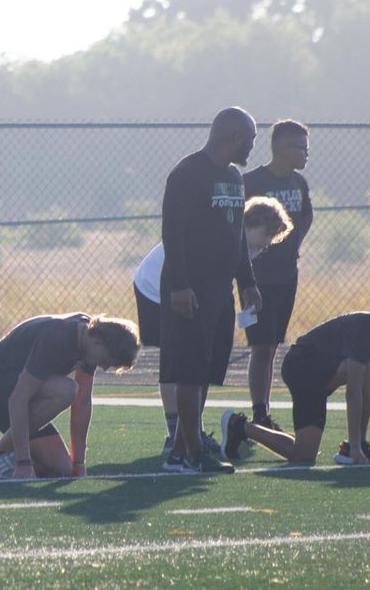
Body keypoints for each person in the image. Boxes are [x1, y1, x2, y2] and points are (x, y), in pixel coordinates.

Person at [133, 197, 293, 458]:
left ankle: (189, 432)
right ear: (249, 224)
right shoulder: (227, 235)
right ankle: (176, 432)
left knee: (196, 359)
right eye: (266, 234)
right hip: (156, 285)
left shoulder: (241, 243)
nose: (267, 244)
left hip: (187, 285)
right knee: (175, 359)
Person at [220, 281, 370, 465]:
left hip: (324, 375)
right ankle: (356, 446)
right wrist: (355, 448)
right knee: (369, 369)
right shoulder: (366, 331)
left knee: (303, 454)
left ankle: (239, 426)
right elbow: (353, 392)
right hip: (301, 366)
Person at [159, 107, 261, 474]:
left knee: (204, 370)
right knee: (189, 370)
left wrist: (246, 281)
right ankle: (190, 452)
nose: (251, 147)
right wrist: (180, 287)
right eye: (249, 139)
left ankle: (185, 449)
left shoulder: (235, 177)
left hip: (221, 290)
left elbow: (237, 237)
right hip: (192, 288)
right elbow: (174, 235)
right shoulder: (188, 174)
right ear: (233, 137)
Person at [0, 313, 139, 479]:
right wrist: (23, 463)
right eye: (105, 361)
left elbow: (82, 402)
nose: (104, 367)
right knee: (66, 390)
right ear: (99, 341)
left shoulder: (90, 340)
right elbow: (18, 399)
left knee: (61, 469)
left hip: (16, 390)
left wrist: (78, 465)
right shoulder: (58, 335)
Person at [243, 120, 314, 430]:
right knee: (260, 347)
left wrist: (294, 243)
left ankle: (265, 411)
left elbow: (307, 215)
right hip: (257, 277)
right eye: (299, 148)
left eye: (306, 148)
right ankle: (259, 413)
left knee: (272, 346)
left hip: (287, 275)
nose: (305, 154)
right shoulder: (252, 181)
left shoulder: (299, 183)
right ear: (281, 149)